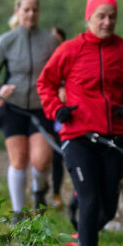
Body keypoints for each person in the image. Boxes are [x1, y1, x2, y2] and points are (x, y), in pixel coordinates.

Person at [37, 0, 123, 246]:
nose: (107, 22)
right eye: (101, 16)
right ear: (88, 17)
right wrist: (57, 110)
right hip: (78, 136)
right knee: (89, 201)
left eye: (112, 17)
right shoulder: (69, 50)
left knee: (109, 207)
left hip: (113, 137)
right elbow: (46, 83)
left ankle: (79, 239)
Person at [0, 0, 60, 218]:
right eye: (26, 9)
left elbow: (62, 73)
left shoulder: (50, 42)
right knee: (18, 160)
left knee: (42, 160)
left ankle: (38, 190)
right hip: (13, 108)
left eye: (35, 10)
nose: (31, 14)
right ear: (17, 12)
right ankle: (18, 213)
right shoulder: (7, 41)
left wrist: (61, 90)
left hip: (42, 108)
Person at [48, 26, 68, 208]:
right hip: (46, 115)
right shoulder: (44, 62)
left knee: (59, 157)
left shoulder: (69, 61)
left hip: (64, 119)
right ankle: (39, 188)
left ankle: (56, 193)